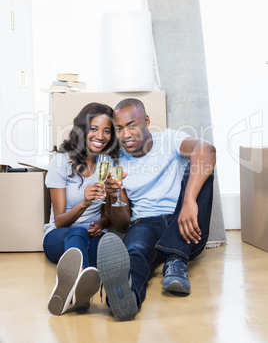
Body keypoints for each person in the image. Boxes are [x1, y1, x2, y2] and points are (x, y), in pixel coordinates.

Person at [97, 98, 216, 322]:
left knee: (202, 166)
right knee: (135, 252)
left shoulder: (169, 139)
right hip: (145, 224)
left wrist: (189, 201)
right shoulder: (114, 162)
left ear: (147, 121)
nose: (126, 134)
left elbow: (207, 149)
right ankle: (125, 296)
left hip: (183, 223)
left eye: (132, 125)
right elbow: (122, 224)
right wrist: (113, 195)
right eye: (119, 129)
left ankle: (175, 259)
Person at [43, 102, 119, 316]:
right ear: (83, 130)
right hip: (58, 238)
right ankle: (80, 279)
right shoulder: (61, 163)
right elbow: (59, 221)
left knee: (107, 245)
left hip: (92, 236)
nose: (100, 136)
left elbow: (107, 215)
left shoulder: (106, 164)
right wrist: (83, 204)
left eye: (107, 131)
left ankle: (81, 292)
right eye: (94, 129)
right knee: (77, 231)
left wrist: (100, 225)